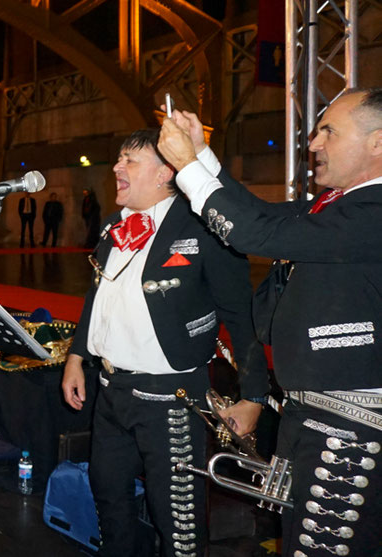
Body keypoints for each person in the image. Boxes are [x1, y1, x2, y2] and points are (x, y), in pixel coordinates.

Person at [158, 87, 382, 557]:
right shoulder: (342, 207)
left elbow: (254, 232)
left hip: (351, 426)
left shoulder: (374, 212)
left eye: (329, 131)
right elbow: (260, 215)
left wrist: (187, 168)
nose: (314, 143)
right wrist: (203, 156)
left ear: (377, 143)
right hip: (313, 415)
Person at [61, 129, 269, 557]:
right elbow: (98, 297)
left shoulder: (203, 228)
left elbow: (240, 316)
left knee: (178, 521)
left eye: (129, 161)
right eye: (119, 159)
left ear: (164, 174)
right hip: (110, 392)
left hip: (169, 398)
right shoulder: (113, 228)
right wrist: (77, 357)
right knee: (110, 502)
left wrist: (253, 396)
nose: (116, 168)